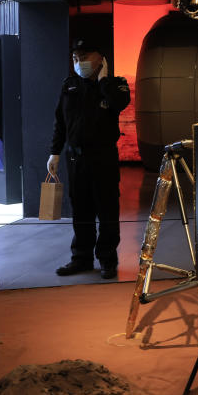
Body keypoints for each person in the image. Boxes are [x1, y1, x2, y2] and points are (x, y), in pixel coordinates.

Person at [47, 40, 130, 279]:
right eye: (75, 57)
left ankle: (107, 259)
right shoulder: (69, 85)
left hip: (103, 157)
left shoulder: (115, 85)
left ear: (99, 58)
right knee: (80, 210)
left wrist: (103, 80)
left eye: (84, 56)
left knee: (106, 209)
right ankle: (81, 258)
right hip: (76, 159)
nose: (78, 62)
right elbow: (60, 122)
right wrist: (54, 152)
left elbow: (118, 103)